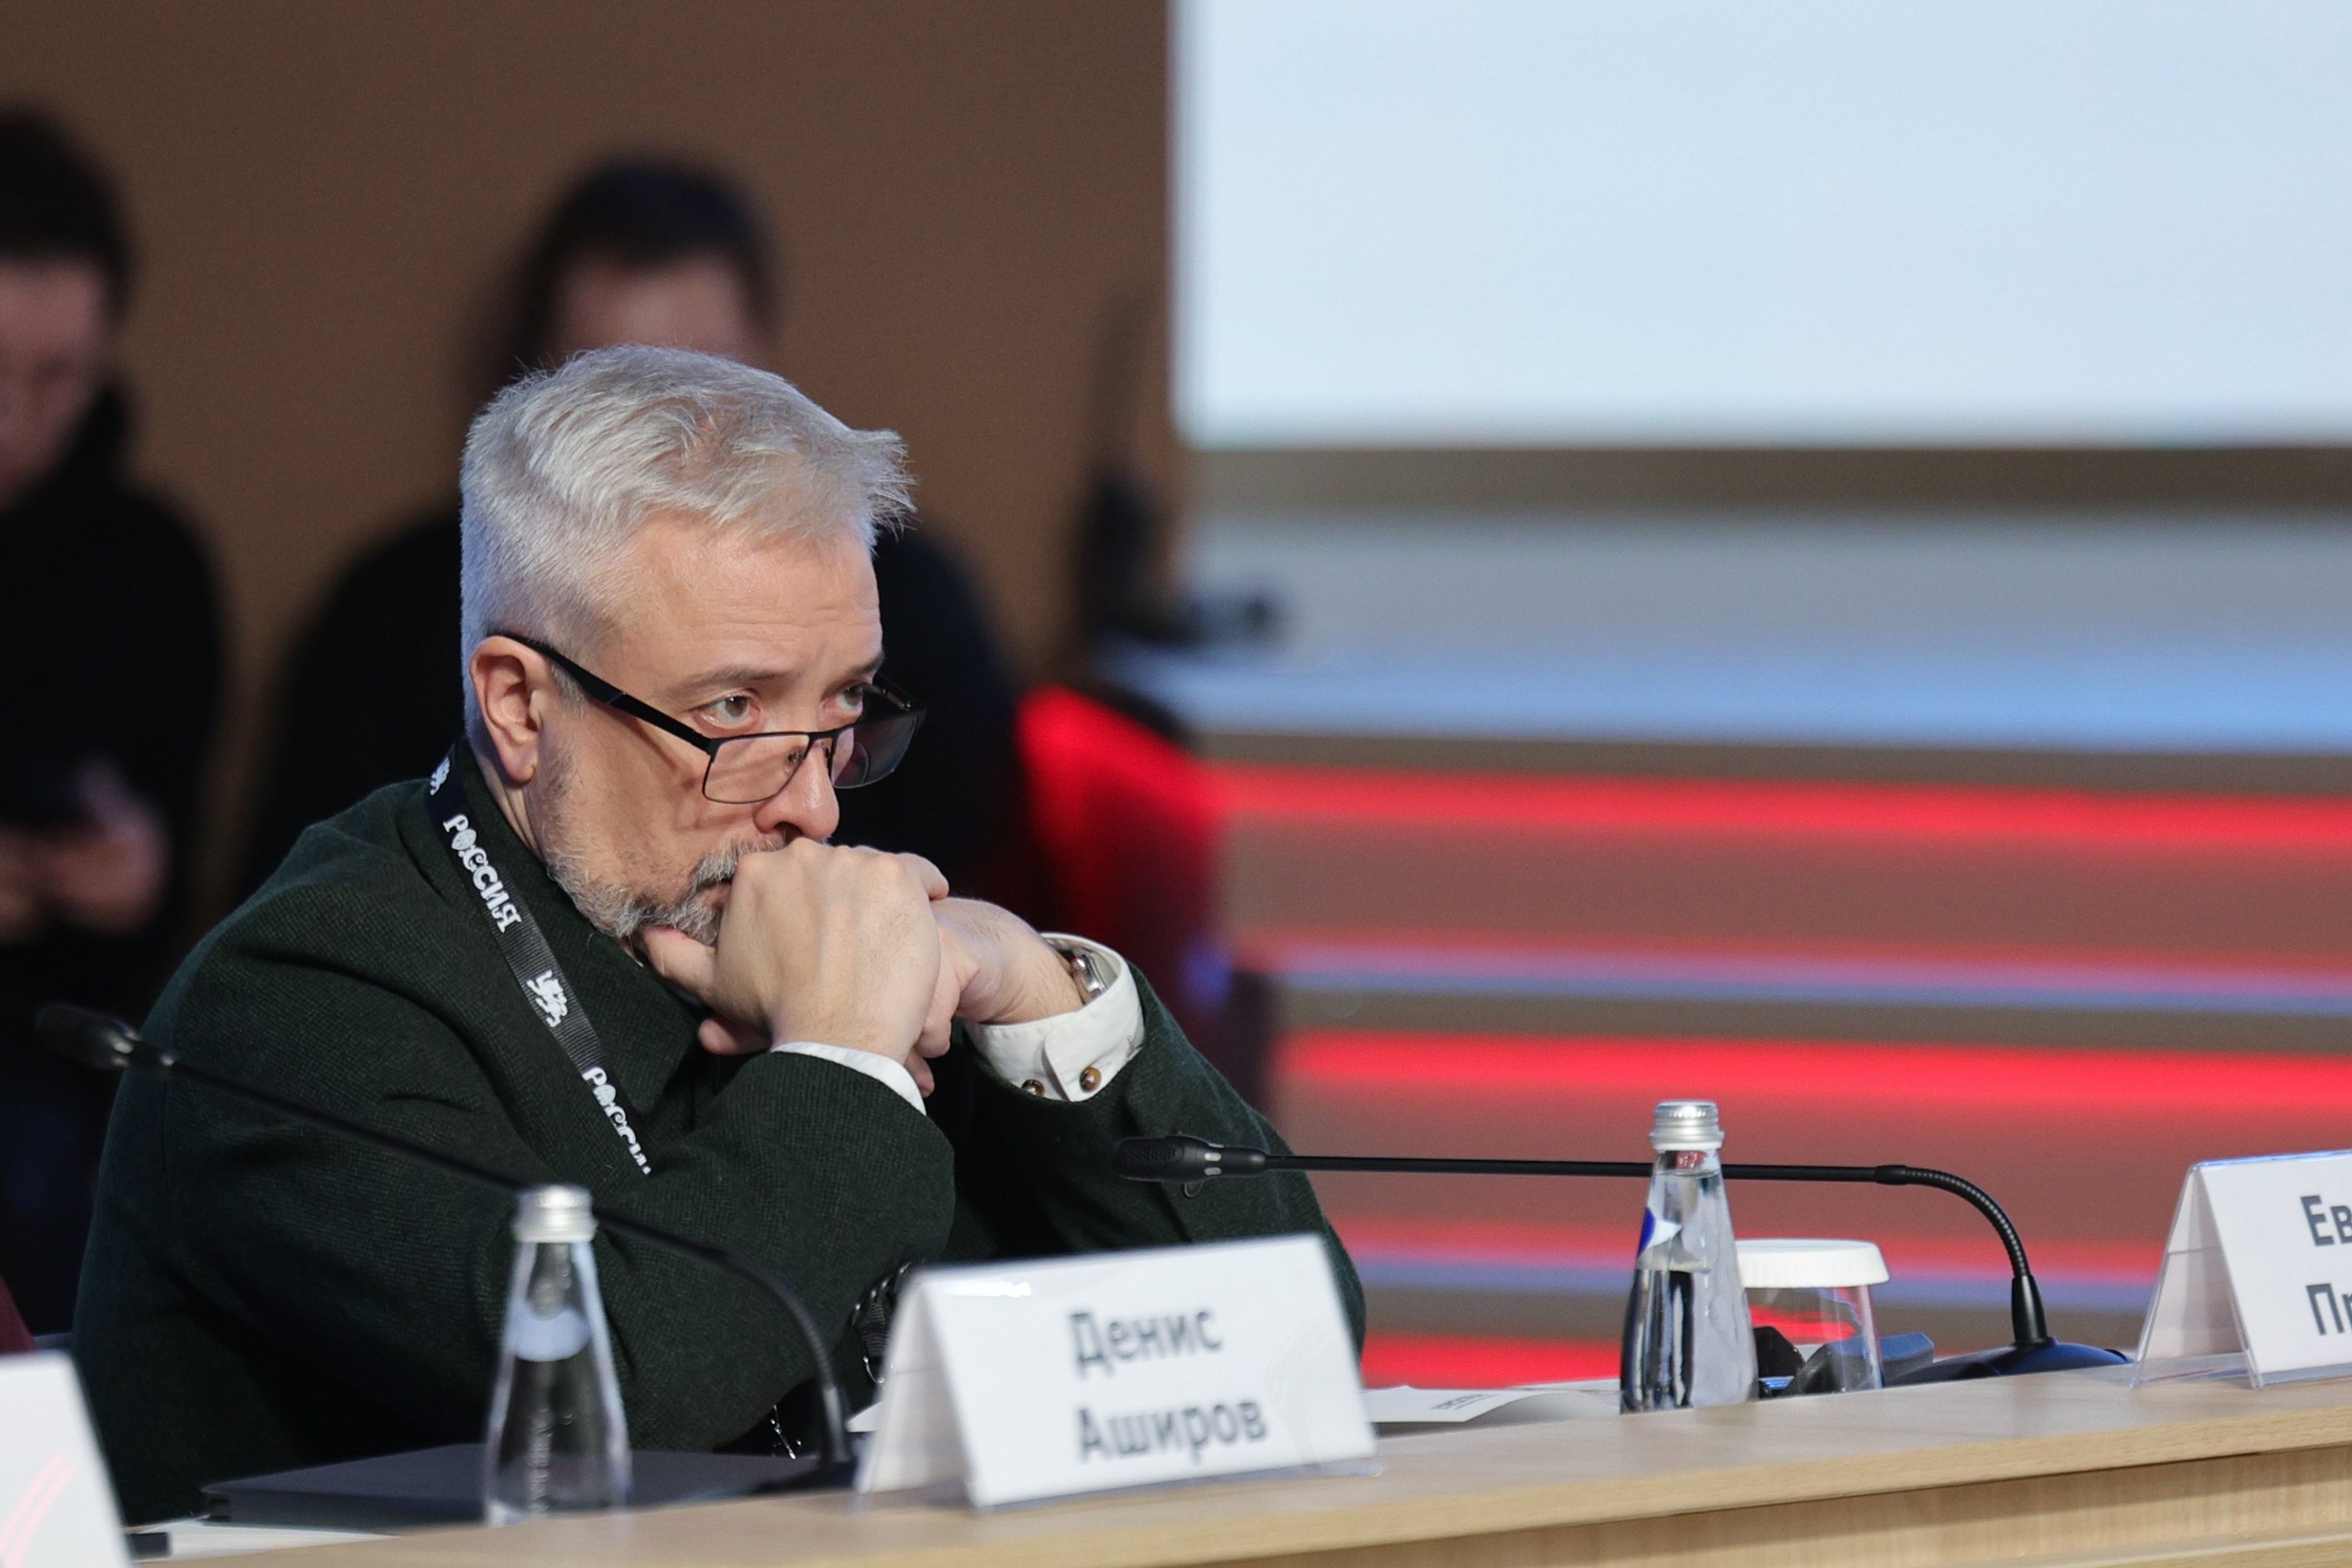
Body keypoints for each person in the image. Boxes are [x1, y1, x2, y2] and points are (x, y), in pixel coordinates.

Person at [76, 347, 1359, 1523]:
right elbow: (612, 1394)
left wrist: (1037, 997)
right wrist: (844, 1061)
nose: (809, 804)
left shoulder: (817, 928)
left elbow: (1286, 1351)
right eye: (734, 713)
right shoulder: (300, 1002)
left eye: (844, 710)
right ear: (521, 709)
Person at [247, 160, 1019, 897]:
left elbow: (976, 859)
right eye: (616, 379)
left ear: (767, 350)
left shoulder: (911, 598)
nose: (675, 416)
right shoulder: (391, 607)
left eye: (706, 368)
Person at [0, 111, 223, 1334]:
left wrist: (135, 869)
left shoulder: (146, 566)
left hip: (54, 1067)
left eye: (57, 380)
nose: (17, 420)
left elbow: (186, 880)